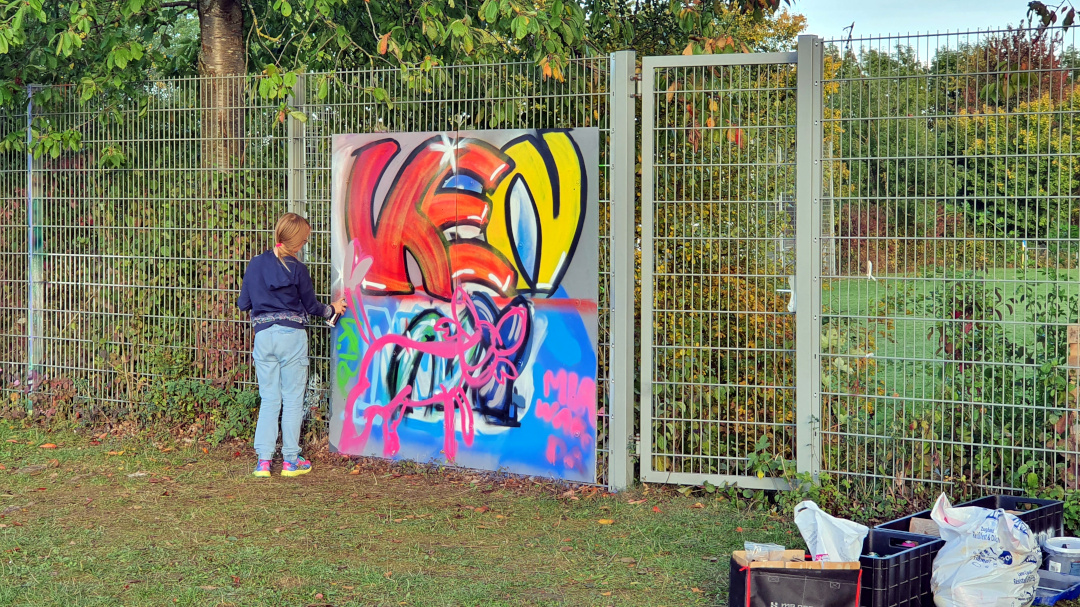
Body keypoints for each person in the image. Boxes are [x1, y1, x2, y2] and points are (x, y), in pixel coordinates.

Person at [238, 213, 345, 477]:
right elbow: (311, 306)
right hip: (291, 338)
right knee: (293, 399)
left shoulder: (255, 264)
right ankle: (290, 461)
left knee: (269, 399)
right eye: (304, 240)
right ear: (296, 242)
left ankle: (263, 462)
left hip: (263, 337)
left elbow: (243, 304)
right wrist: (333, 308)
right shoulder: (297, 268)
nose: (305, 244)